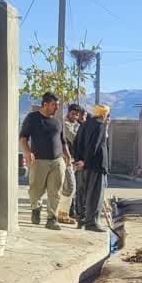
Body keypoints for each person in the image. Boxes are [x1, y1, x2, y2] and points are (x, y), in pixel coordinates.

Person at [20, 92, 72, 230]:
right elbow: (23, 137)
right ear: (45, 104)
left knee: (55, 191)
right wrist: (27, 152)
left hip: (57, 161)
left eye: (58, 105)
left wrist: (67, 155)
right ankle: (36, 208)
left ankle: (51, 219)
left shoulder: (57, 121)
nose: (57, 108)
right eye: (54, 105)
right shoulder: (32, 118)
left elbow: (63, 141)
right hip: (39, 161)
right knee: (35, 190)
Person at [72, 104, 111, 232]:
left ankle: (81, 219)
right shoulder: (99, 126)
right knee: (94, 195)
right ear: (104, 115)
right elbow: (94, 146)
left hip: (82, 166)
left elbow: (76, 144)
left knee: (82, 193)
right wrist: (86, 161)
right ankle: (92, 223)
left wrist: (79, 160)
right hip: (95, 166)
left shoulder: (84, 124)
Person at [57, 104, 85, 225]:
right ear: (68, 113)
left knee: (68, 187)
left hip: (73, 159)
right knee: (69, 187)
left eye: (77, 114)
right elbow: (74, 138)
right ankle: (62, 214)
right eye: (73, 114)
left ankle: (63, 213)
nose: (75, 116)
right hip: (64, 159)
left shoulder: (77, 125)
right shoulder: (65, 124)